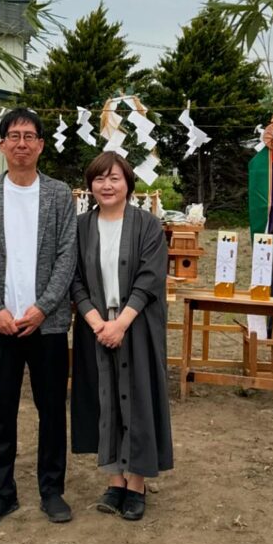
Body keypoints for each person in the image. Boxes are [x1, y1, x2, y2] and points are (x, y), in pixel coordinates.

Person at [0, 108, 77, 532]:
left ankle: (52, 490)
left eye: (30, 136)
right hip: (0, 325)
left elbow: (68, 255)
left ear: (41, 145)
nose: (22, 143)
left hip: (46, 325)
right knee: (1, 410)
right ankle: (3, 494)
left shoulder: (58, 195)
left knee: (51, 409)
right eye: (13, 136)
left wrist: (43, 307)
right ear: (2, 145)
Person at [70, 152, 173, 521]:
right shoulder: (81, 226)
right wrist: (98, 322)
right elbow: (75, 278)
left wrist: (121, 323)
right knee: (105, 399)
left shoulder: (147, 225)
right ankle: (114, 480)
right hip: (95, 325)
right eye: (99, 179)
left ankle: (137, 484)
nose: (107, 185)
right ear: (90, 185)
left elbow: (150, 278)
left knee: (139, 400)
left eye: (114, 178)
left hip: (137, 324)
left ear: (128, 183)